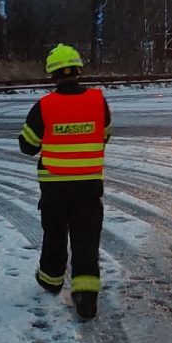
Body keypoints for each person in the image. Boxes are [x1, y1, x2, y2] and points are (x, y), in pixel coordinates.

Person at [18, 44, 111, 320]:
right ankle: (86, 296)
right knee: (86, 241)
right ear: (78, 70)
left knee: (55, 235)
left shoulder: (45, 105)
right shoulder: (97, 101)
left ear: (53, 74)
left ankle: (50, 279)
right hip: (89, 188)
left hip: (55, 189)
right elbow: (104, 134)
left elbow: (28, 145)